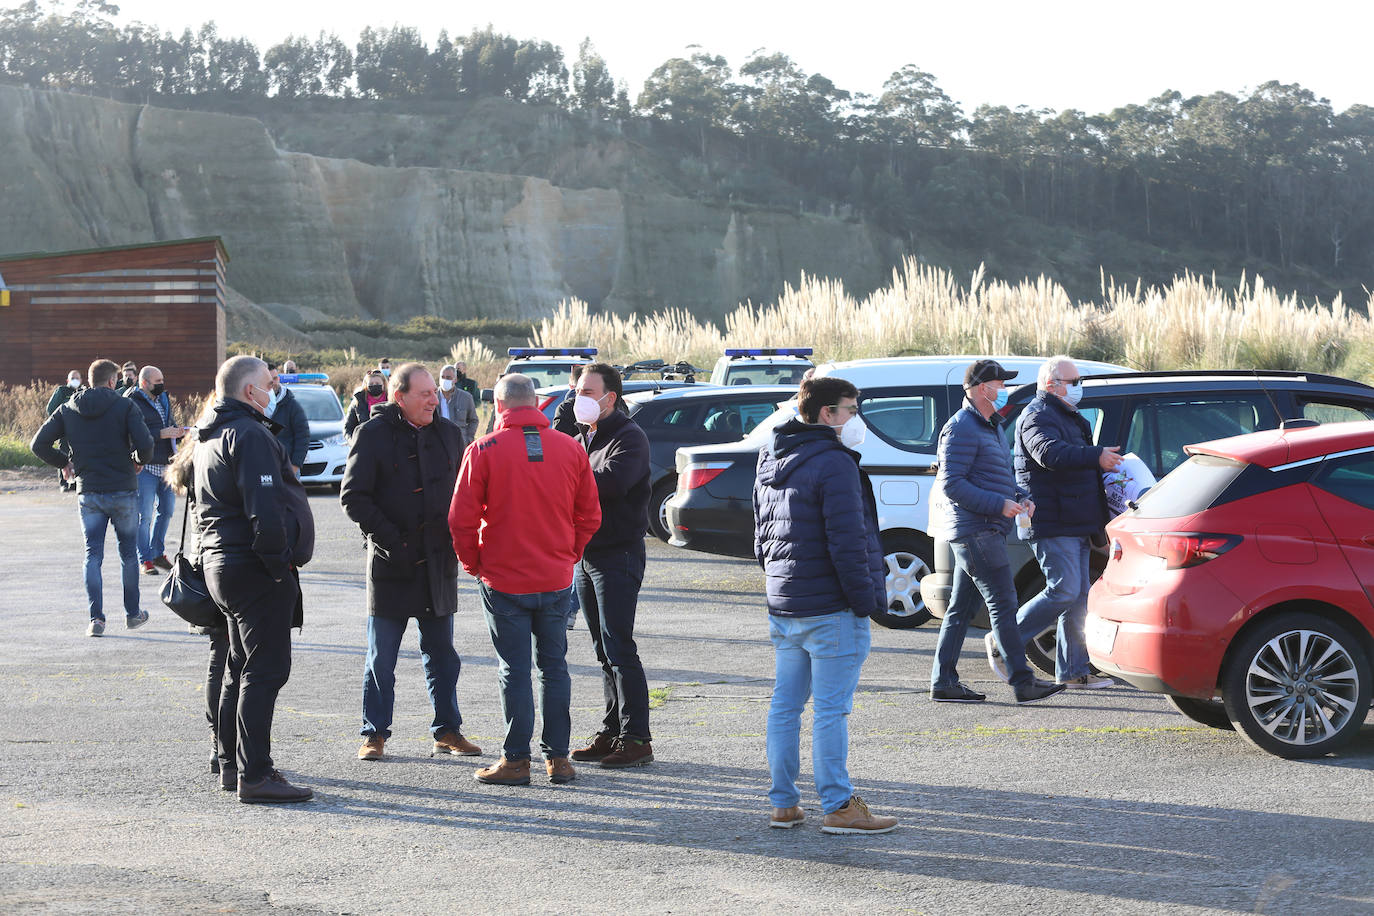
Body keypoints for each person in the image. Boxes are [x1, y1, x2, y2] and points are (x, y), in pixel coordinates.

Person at [752, 375, 898, 835]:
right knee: (830, 709)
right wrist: (866, 602)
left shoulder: (769, 456)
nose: (856, 420)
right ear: (825, 414)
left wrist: (779, 581)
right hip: (830, 605)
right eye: (850, 410)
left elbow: (760, 535)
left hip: (786, 600)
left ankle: (784, 804)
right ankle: (838, 805)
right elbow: (848, 542)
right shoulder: (834, 462)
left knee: (786, 705)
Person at [449, 373, 601, 786]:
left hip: (504, 579)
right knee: (553, 668)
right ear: (536, 403)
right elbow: (590, 513)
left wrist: (473, 564)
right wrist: (570, 553)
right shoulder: (570, 447)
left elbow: (460, 519)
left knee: (513, 670)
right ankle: (559, 759)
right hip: (554, 576)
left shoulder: (482, 450)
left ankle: (516, 760)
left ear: (499, 407)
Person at [341, 363, 480, 763]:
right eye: (424, 394)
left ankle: (448, 730)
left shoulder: (450, 435)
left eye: (435, 392)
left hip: (438, 565)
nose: (434, 399)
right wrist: (392, 541)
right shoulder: (373, 434)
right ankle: (374, 733)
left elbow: (463, 496)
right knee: (381, 658)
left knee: (442, 656)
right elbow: (354, 498)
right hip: (390, 565)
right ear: (399, 397)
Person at [193, 355, 315, 803]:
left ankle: (232, 765)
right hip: (253, 569)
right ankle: (255, 774)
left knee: (240, 668)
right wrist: (278, 563)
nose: (275, 389)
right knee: (265, 671)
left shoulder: (210, 434)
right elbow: (264, 509)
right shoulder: (248, 434)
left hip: (223, 567)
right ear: (249, 392)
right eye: (269, 383)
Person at [929, 360, 1066, 705]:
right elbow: (952, 484)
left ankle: (943, 681)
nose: (1003, 388)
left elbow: (994, 476)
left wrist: (1019, 497)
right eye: (999, 382)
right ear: (979, 388)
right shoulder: (961, 427)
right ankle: (1022, 681)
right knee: (1003, 605)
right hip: (977, 532)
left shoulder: (986, 425)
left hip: (979, 530)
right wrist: (998, 505)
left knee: (960, 609)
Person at [988, 356, 1121, 690]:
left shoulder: (1071, 418)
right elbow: (1048, 454)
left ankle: (1073, 672)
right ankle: (1004, 640)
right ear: (1052, 383)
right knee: (1062, 590)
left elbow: (1086, 482)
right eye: (1073, 381)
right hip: (1051, 520)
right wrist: (1096, 455)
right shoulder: (1036, 416)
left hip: (1075, 521)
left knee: (1078, 596)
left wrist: (1098, 527)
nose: (1078, 388)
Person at [568, 363, 656, 768]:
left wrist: (566, 475)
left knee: (620, 647)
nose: (577, 397)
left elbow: (606, 486)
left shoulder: (629, 438)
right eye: (576, 389)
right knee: (603, 650)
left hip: (617, 555)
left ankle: (637, 737)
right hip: (585, 556)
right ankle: (612, 730)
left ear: (610, 398)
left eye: (587, 391)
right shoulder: (585, 436)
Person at [31, 359, 154, 637]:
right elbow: (146, 444)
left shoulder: (68, 408)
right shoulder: (125, 406)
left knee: (93, 555)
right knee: (128, 555)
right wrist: (137, 459)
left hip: (89, 491)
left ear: (89, 380)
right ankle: (133, 614)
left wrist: (64, 462)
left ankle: (96, 619)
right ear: (113, 381)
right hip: (122, 488)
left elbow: (37, 444)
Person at [165, 398, 237, 789]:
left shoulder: (196, 447)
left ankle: (216, 742)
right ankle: (226, 742)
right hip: (224, 559)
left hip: (202, 558)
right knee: (231, 657)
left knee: (218, 654)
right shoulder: (224, 443)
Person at [127, 365, 187, 575]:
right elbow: (134, 433)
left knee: (167, 511)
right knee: (144, 516)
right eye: (157, 381)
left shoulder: (163, 399)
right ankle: (145, 559)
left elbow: (168, 422)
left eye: (162, 380)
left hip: (166, 464)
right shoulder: (133, 402)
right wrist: (160, 433)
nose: (162, 384)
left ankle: (157, 552)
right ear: (144, 383)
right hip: (146, 466)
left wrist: (177, 431)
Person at [45, 369, 84, 491]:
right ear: (68, 380)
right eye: (73, 378)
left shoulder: (83, 392)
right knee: (63, 455)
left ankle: (75, 482)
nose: (75, 381)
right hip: (64, 429)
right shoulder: (62, 391)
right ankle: (64, 483)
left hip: (79, 430)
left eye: (77, 378)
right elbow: (50, 409)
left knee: (77, 456)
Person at [267, 366, 309, 477]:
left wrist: (294, 466)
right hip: (263, 469)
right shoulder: (253, 406)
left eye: (275, 378)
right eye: (269, 380)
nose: (273, 383)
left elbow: (303, 436)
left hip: (288, 469)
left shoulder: (292, 406)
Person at [437, 364, 480, 448]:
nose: (445, 380)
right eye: (443, 377)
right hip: (437, 444)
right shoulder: (432, 397)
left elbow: (473, 420)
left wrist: (468, 439)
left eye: (448, 378)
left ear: (455, 380)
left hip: (459, 445)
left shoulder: (466, 397)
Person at [345, 369, 387, 439]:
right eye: (371, 384)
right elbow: (348, 428)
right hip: (364, 445)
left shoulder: (392, 401)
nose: (374, 386)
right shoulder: (358, 402)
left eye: (377, 383)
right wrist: (355, 443)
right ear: (366, 385)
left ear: (384, 384)